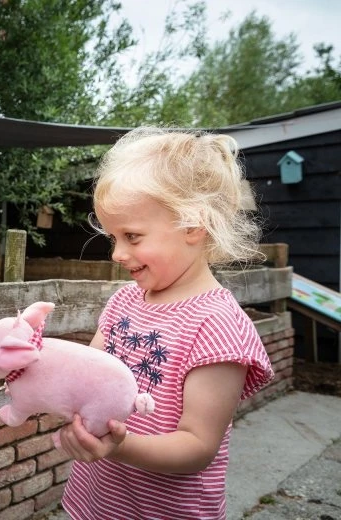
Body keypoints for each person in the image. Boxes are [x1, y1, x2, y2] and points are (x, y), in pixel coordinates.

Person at [57, 127, 275, 519]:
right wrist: (36, 362)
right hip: (96, 504)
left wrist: (118, 446)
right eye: (113, 237)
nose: (118, 253)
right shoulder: (124, 300)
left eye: (132, 236)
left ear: (193, 225)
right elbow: (86, 377)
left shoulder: (219, 325)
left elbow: (197, 447)